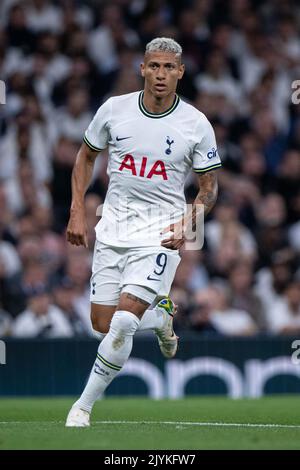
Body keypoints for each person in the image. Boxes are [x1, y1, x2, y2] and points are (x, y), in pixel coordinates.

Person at [65, 37, 222, 427]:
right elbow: (86, 156)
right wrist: (77, 211)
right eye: (154, 66)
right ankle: (161, 319)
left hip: (160, 233)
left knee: (121, 323)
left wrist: (190, 222)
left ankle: (81, 408)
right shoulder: (114, 110)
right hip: (113, 228)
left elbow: (209, 187)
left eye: (169, 68)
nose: (161, 75)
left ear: (181, 72)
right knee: (101, 324)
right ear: (142, 68)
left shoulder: (195, 123)